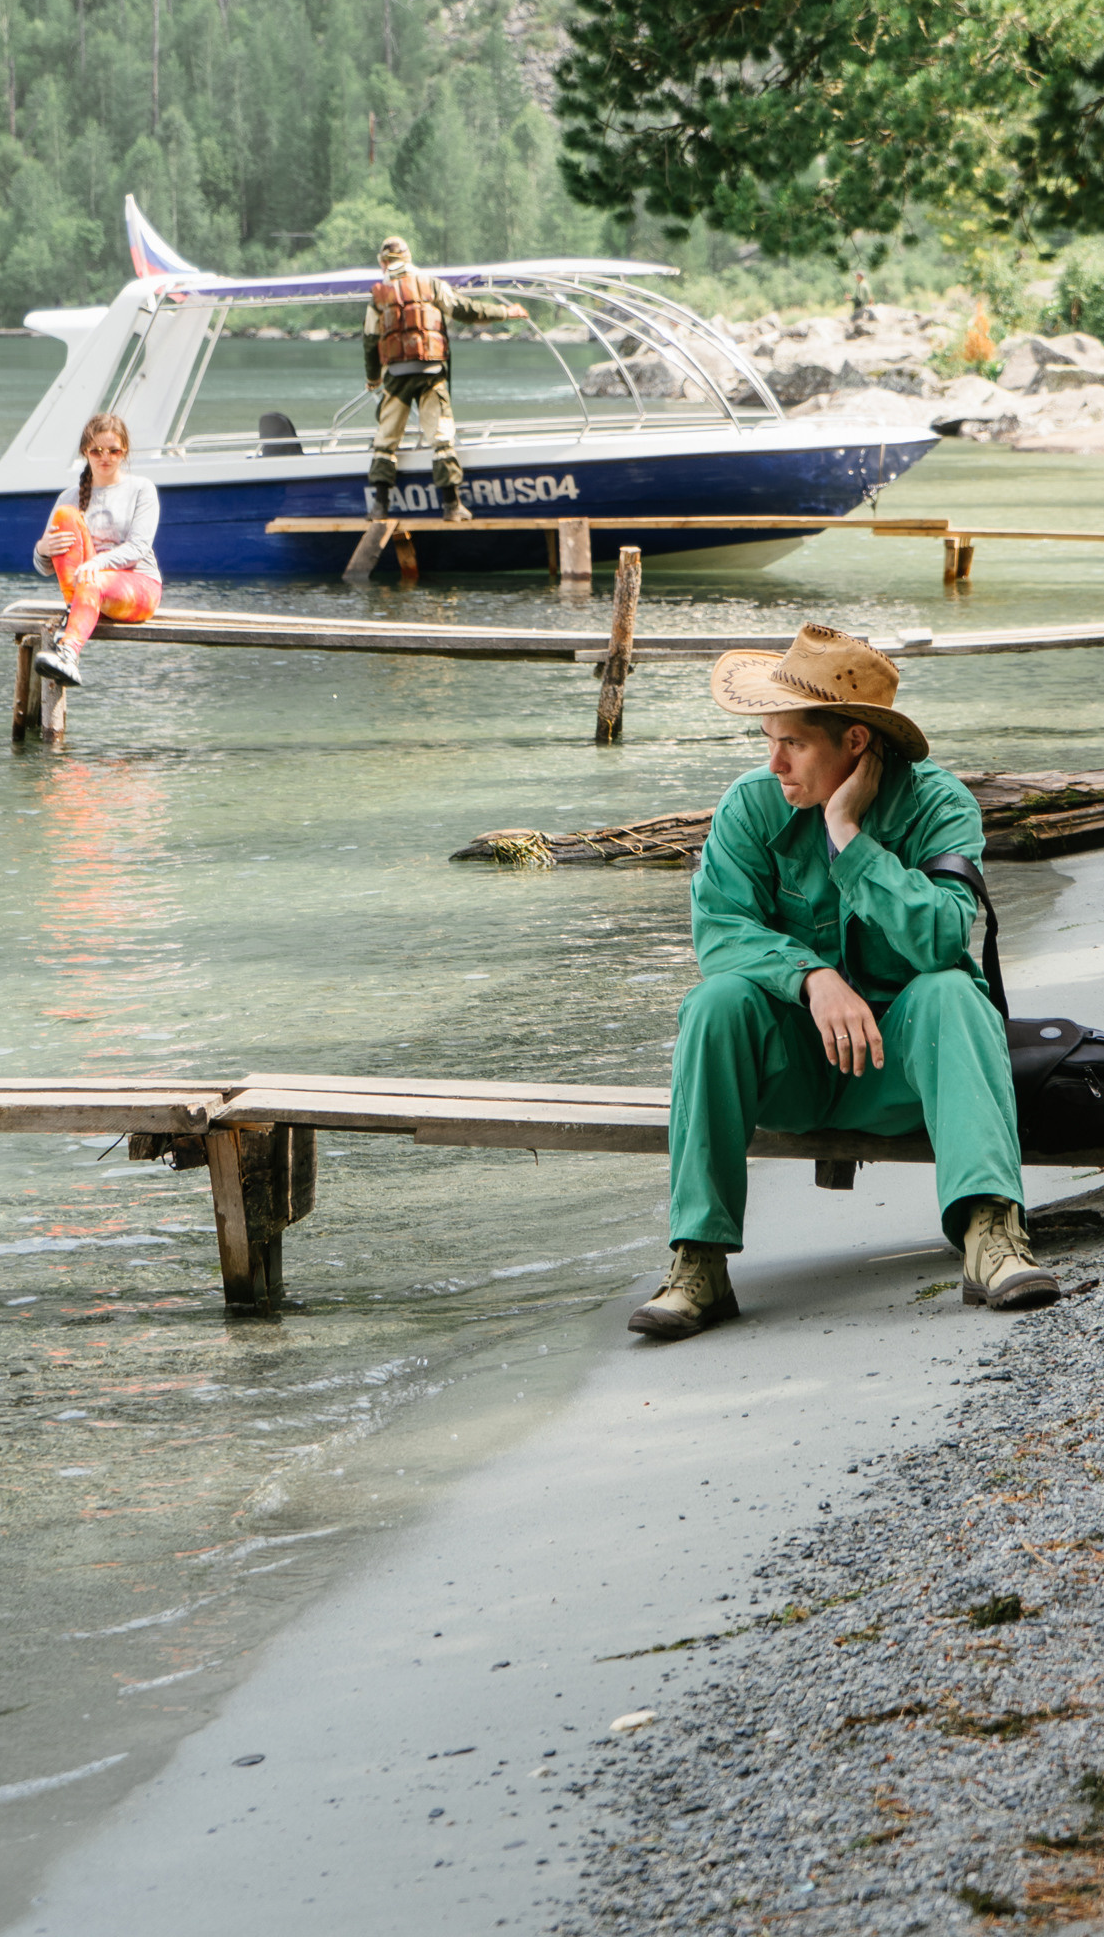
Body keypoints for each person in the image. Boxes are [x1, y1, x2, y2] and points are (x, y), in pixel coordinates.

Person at [628, 622, 1057, 1341]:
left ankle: (993, 1238)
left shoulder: (940, 806)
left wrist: (848, 836)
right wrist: (813, 977)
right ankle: (697, 1259)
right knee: (716, 1003)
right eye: (767, 740)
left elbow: (943, 937)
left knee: (952, 990)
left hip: (904, 1080)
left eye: (792, 743)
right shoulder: (749, 807)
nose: (774, 763)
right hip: (792, 1074)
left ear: (855, 743)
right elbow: (721, 935)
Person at [362, 235, 529, 524]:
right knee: (441, 438)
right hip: (431, 373)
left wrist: (373, 378)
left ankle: (379, 507)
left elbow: (370, 340)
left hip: (397, 377)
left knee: (386, 439)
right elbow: (466, 310)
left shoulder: (379, 294)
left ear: (383, 263)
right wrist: (506, 311)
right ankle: (452, 506)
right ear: (408, 257)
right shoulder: (432, 284)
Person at [31, 413, 161, 686]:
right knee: (66, 515)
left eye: (114, 450)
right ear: (84, 452)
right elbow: (44, 567)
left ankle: (68, 652)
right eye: (97, 450)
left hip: (138, 587)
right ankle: (74, 610)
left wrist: (97, 563)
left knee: (93, 578)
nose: (106, 457)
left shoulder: (141, 489)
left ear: (124, 452)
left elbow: (138, 547)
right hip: (87, 589)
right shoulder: (69, 496)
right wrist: (42, 549)